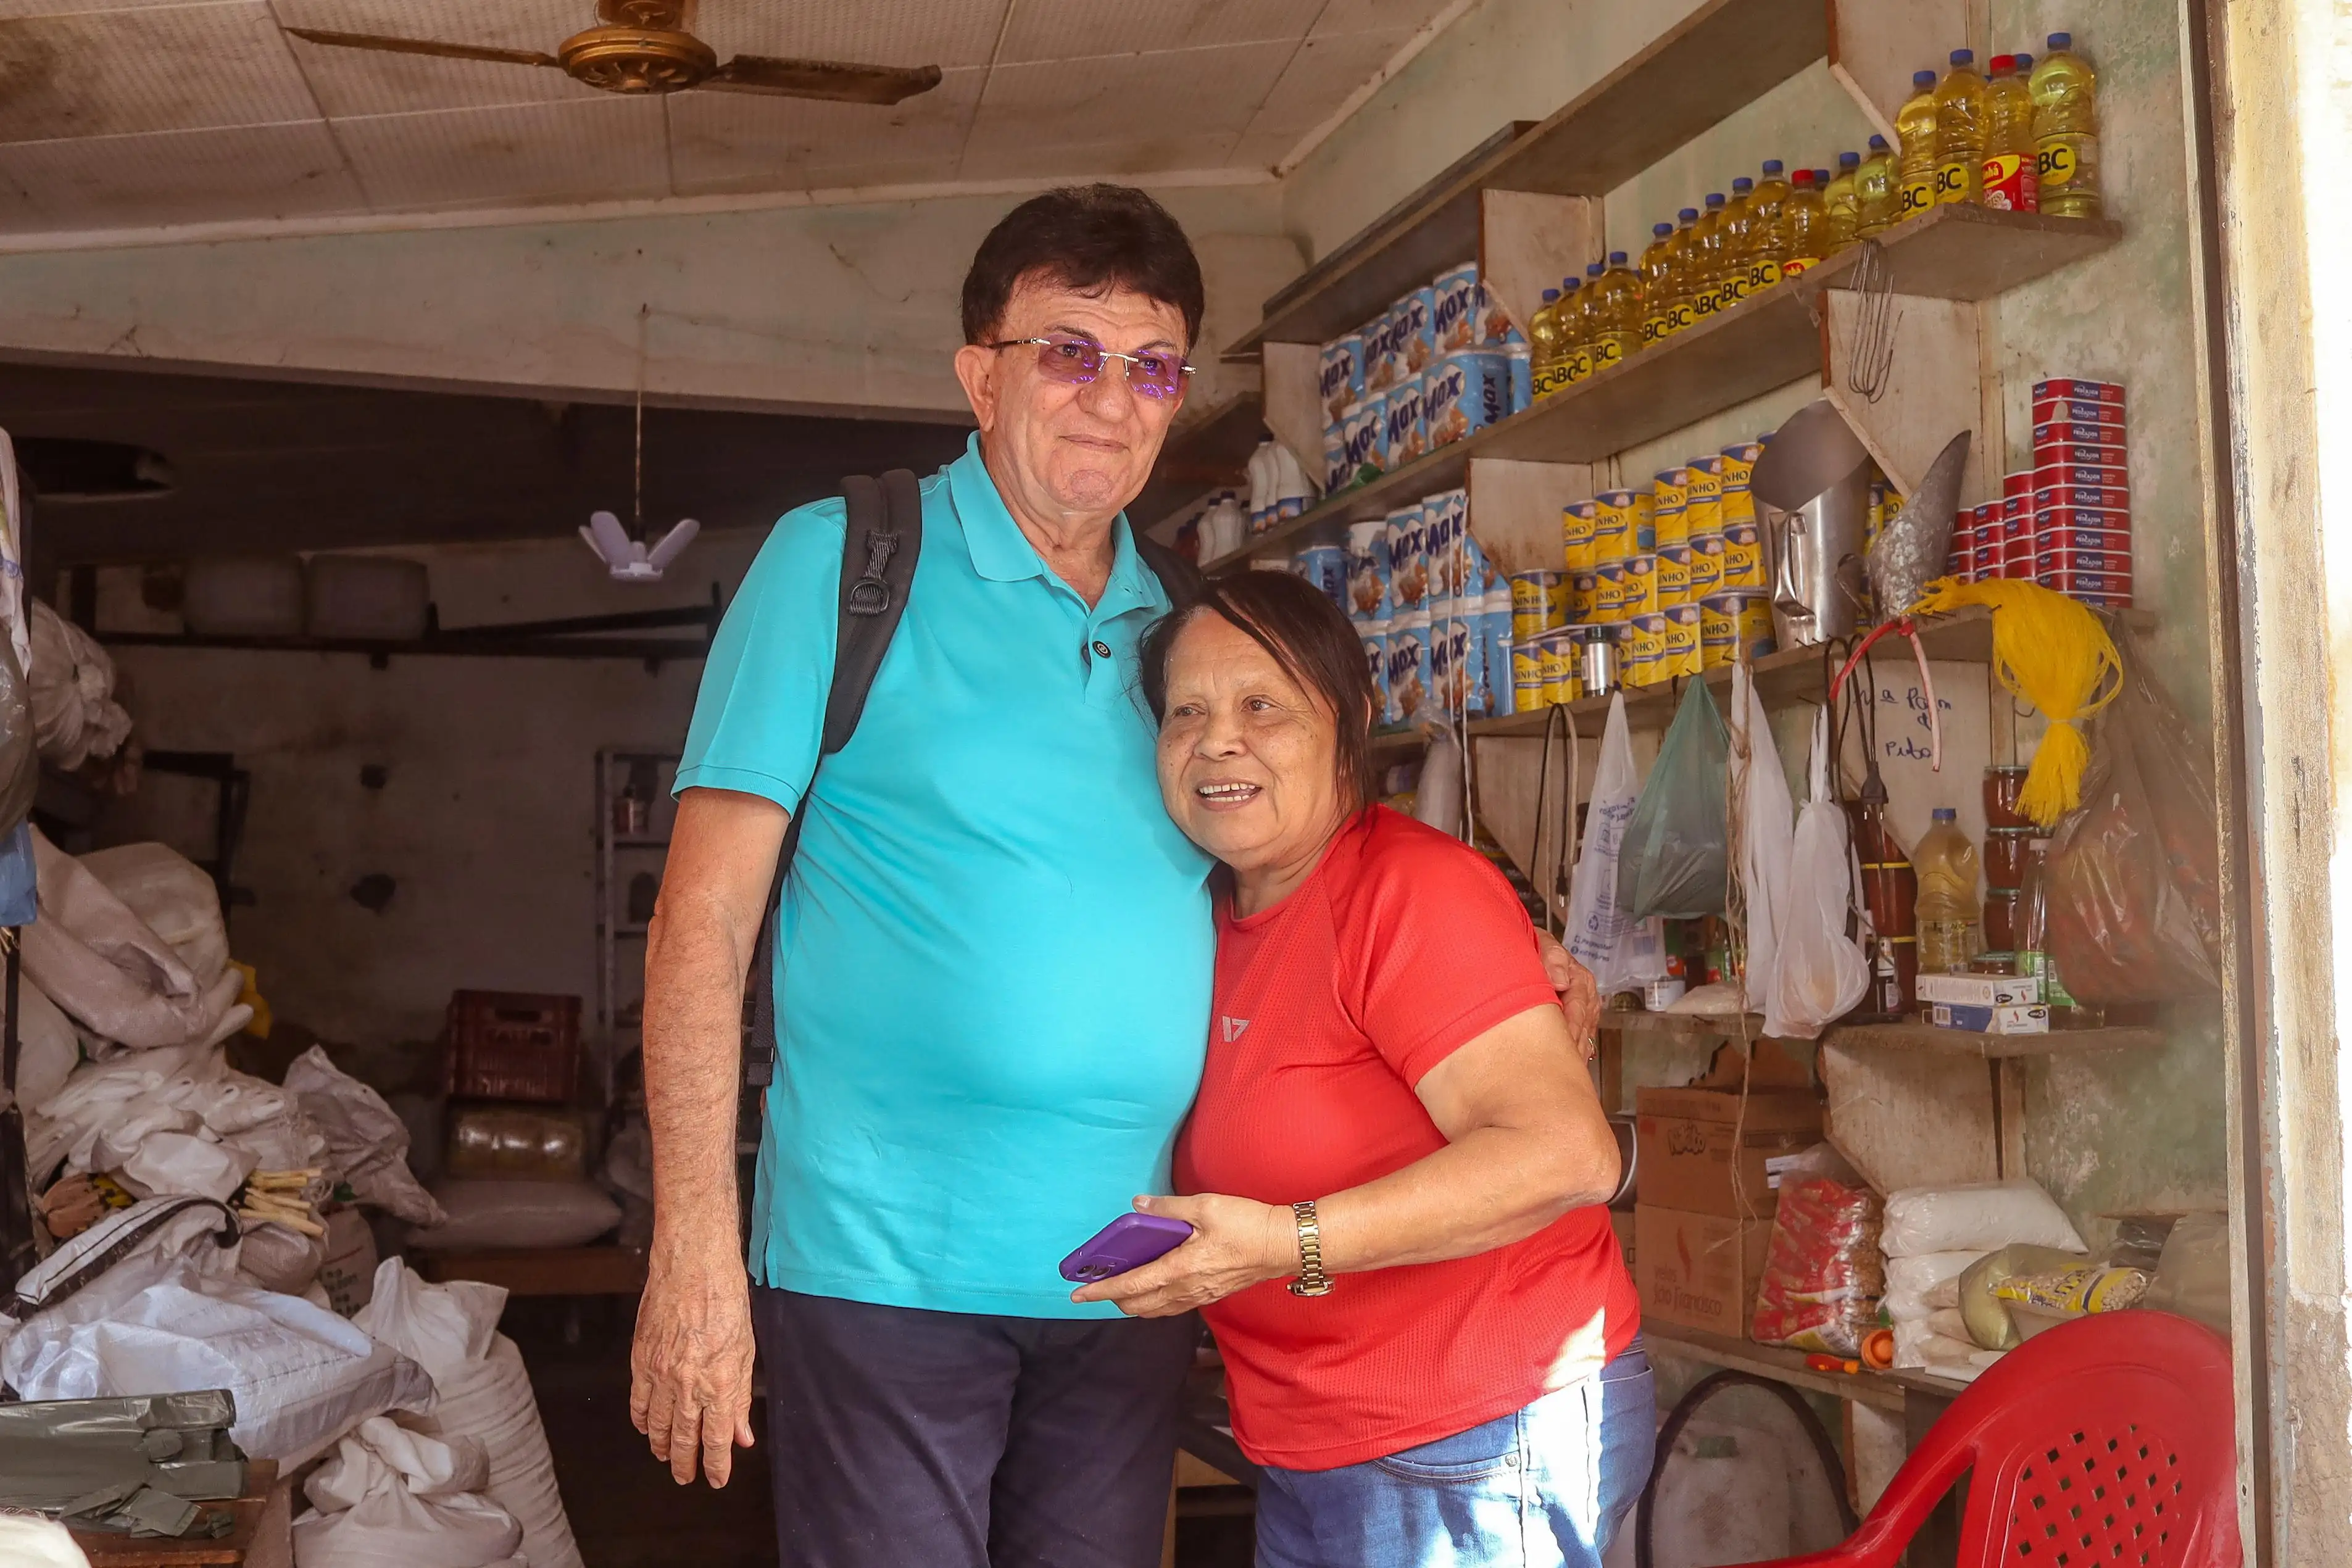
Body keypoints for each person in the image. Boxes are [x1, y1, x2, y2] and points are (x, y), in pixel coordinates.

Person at [630, 182, 1600, 1568]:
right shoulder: (846, 562)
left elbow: (1296, 855)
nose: (1109, 399)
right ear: (981, 375)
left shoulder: (1187, 622)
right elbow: (701, 920)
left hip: (1134, 1272)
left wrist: (1509, 955)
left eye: (1150, 368)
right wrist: (694, 1257)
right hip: (884, 1267)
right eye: (1067, 353)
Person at [1077, 568, 1651, 1568]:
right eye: (1186, 714)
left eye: (1263, 706)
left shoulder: (1408, 892)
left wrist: (1279, 1244)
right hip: (1318, 1440)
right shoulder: (1209, 914)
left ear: (1346, 723)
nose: (1219, 740)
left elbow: (1565, 1154)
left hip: (1468, 1432)